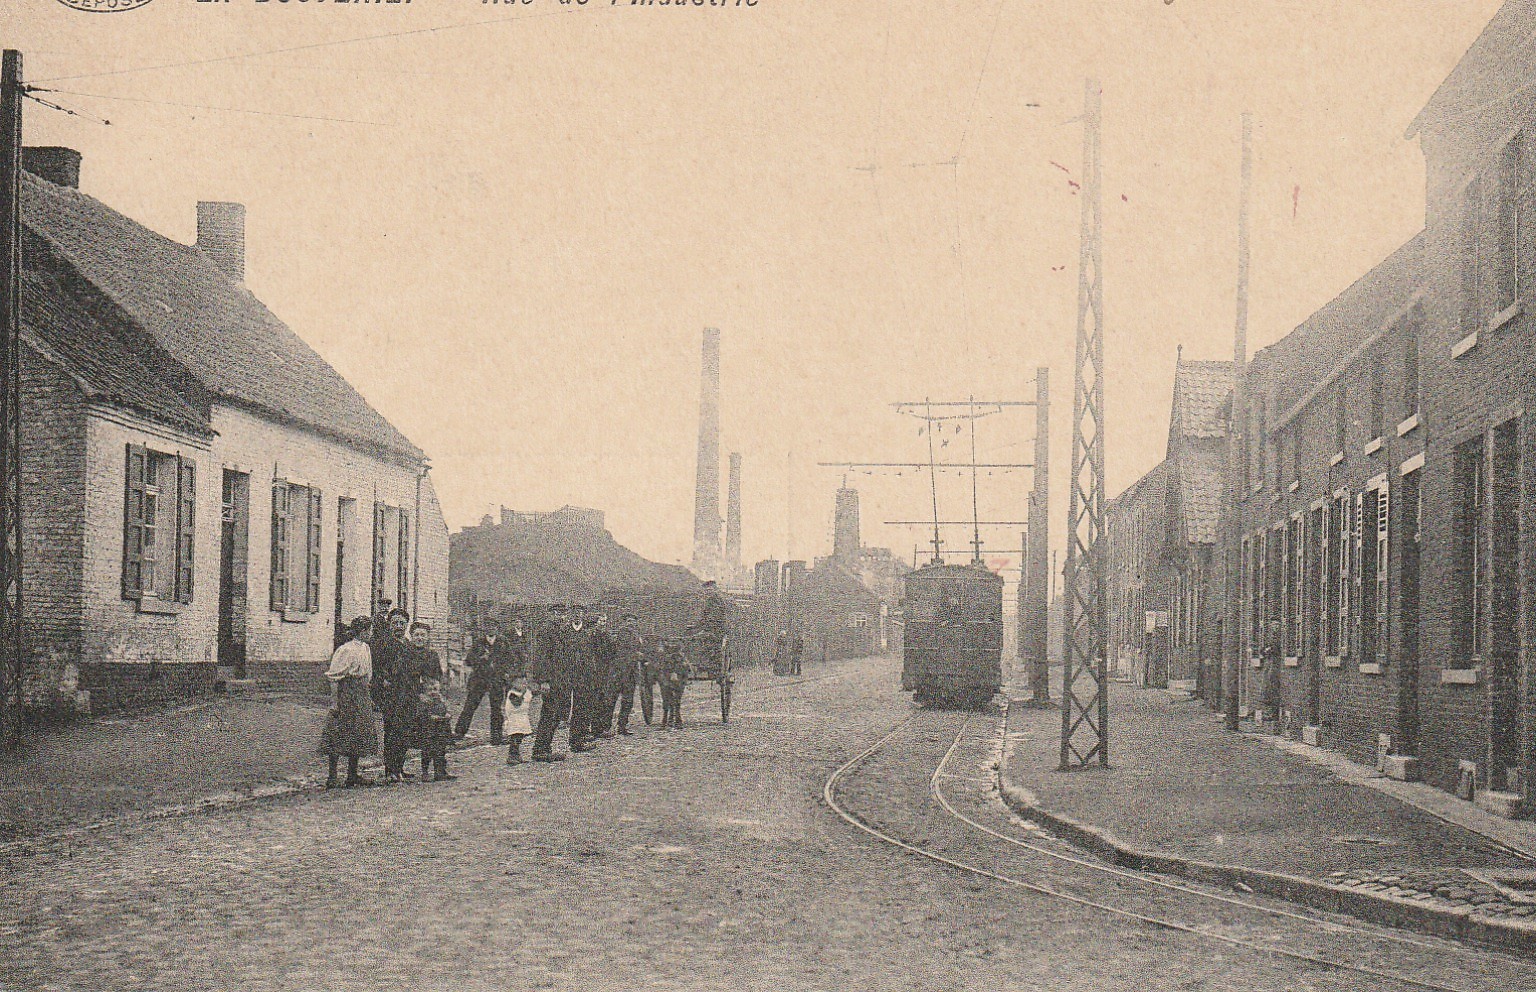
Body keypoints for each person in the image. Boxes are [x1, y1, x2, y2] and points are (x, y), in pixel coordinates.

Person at [320, 617, 379, 789]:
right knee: (339, 731)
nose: (371, 633)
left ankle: (352, 775)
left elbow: (368, 674)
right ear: (362, 631)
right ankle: (332, 776)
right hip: (347, 692)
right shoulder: (345, 650)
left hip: (361, 693)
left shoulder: (366, 648)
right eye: (369, 630)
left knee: (358, 732)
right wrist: (334, 702)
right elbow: (334, 678)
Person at [454, 617, 522, 744]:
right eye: (488, 626)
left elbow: (511, 659)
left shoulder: (503, 642)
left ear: (497, 628)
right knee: (470, 706)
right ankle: (459, 733)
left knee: (496, 709)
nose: (491, 628)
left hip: (496, 680)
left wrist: (505, 672)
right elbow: (469, 660)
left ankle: (496, 737)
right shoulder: (479, 642)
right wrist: (481, 658)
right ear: (485, 628)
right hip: (479, 679)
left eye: (493, 626)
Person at [530, 604, 573, 763]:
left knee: (555, 716)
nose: (560, 616)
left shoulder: (561, 631)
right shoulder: (546, 630)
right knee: (549, 714)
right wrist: (543, 681)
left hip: (561, 680)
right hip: (551, 681)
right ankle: (540, 750)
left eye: (562, 614)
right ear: (550, 614)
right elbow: (541, 658)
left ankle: (545, 748)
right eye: (556, 613)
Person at [604, 613, 646, 736]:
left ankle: (622, 726)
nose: (631, 623)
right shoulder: (623, 632)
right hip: (619, 672)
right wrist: (636, 655)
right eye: (628, 621)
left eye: (633, 621)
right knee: (611, 700)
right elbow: (623, 650)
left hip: (631, 672)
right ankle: (606, 727)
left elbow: (639, 649)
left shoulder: (637, 634)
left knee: (628, 701)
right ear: (624, 622)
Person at [418, 675, 457, 782]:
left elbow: (448, 710)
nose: (433, 692)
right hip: (429, 731)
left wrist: (448, 714)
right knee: (427, 752)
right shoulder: (424, 702)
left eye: (435, 689)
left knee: (441, 751)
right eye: (429, 690)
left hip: (441, 729)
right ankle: (425, 772)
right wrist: (431, 717)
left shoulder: (441, 700)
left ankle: (440, 771)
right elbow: (422, 715)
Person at [503, 677, 534, 764]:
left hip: (522, 717)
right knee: (515, 736)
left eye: (525, 683)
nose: (524, 685)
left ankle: (517, 755)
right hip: (515, 719)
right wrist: (524, 693)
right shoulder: (512, 693)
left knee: (519, 736)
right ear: (513, 684)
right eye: (521, 683)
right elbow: (517, 703)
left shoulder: (524, 692)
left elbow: (532, 695)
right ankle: (512, 755)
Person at [659, 638, 688, 730]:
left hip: (677, 680)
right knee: (667, 700)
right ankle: (668, 721)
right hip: (666, 679)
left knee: (675, 700)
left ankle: (675, 721)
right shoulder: (664, 657)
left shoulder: (680, 658)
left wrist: (675, 673)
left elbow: (684, 669)